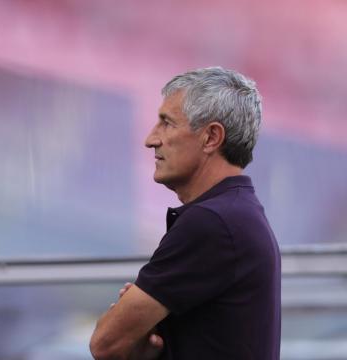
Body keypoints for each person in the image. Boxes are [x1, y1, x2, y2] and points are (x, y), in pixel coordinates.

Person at [89, 67, 281, 359]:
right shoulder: (237, 214)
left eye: (167, 123)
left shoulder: (212, 223)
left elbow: (105, 343)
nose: (151, 139)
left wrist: (133, 333)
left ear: (211, 137)